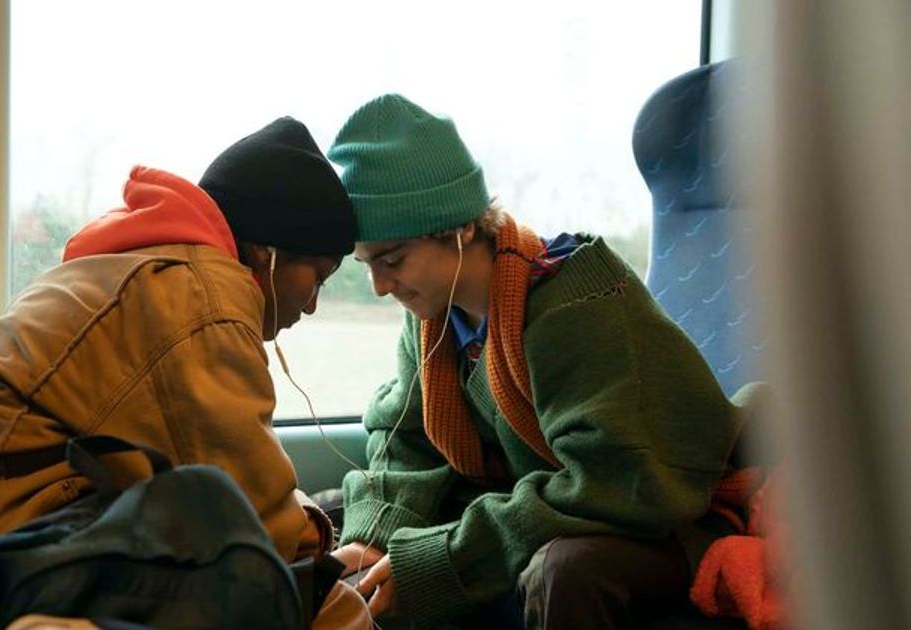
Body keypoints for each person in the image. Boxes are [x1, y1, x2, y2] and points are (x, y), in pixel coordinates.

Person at [0, 117, 369, 628]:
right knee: (335, 608)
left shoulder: (145, 265)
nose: (312, 304)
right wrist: (319, 535)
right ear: (267, 252)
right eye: (317, 277)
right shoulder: (202, 300)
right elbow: (264, 527)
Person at [325, 94, 765, 628]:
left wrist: (447, 558)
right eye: (366, 264)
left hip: (665, 515)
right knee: (332, 516)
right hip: (554, 499)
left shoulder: (576, 303)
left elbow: (621, 481)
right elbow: (406, 439)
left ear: (459, 228)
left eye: (393, 260)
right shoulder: (430, 321)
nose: (379, 286)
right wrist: (373, 537)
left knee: (562, 571)